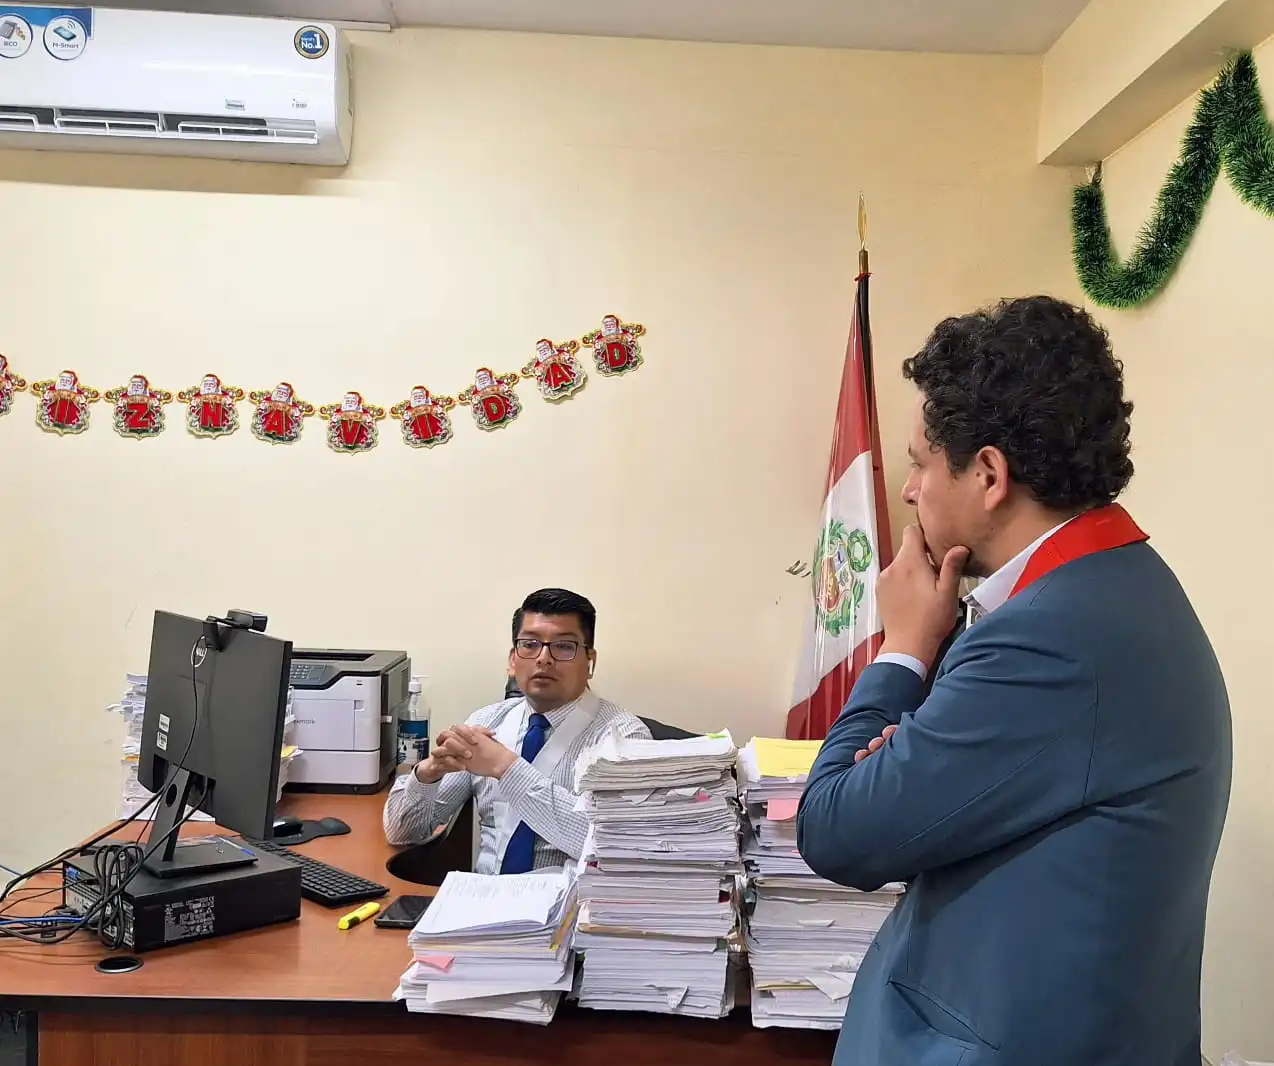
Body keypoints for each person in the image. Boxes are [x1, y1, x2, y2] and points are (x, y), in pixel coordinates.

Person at [797, 296, 1231, 1066]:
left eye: (921, 463)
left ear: (990, 474)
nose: (910, 491)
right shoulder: (1106, 588)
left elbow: (837, 828)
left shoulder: (1054, 638)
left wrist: (902, 650)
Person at [383, 588, 650, 873]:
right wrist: (428, 774)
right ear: (513, 661)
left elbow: (615, 847)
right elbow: (401, 832)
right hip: (483, 895)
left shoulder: (624, 738)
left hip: (572, 899)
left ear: (590, 662)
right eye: (530, 644)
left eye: (563, 646)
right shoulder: (487, 723)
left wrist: (507, 768)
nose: (543, 658)